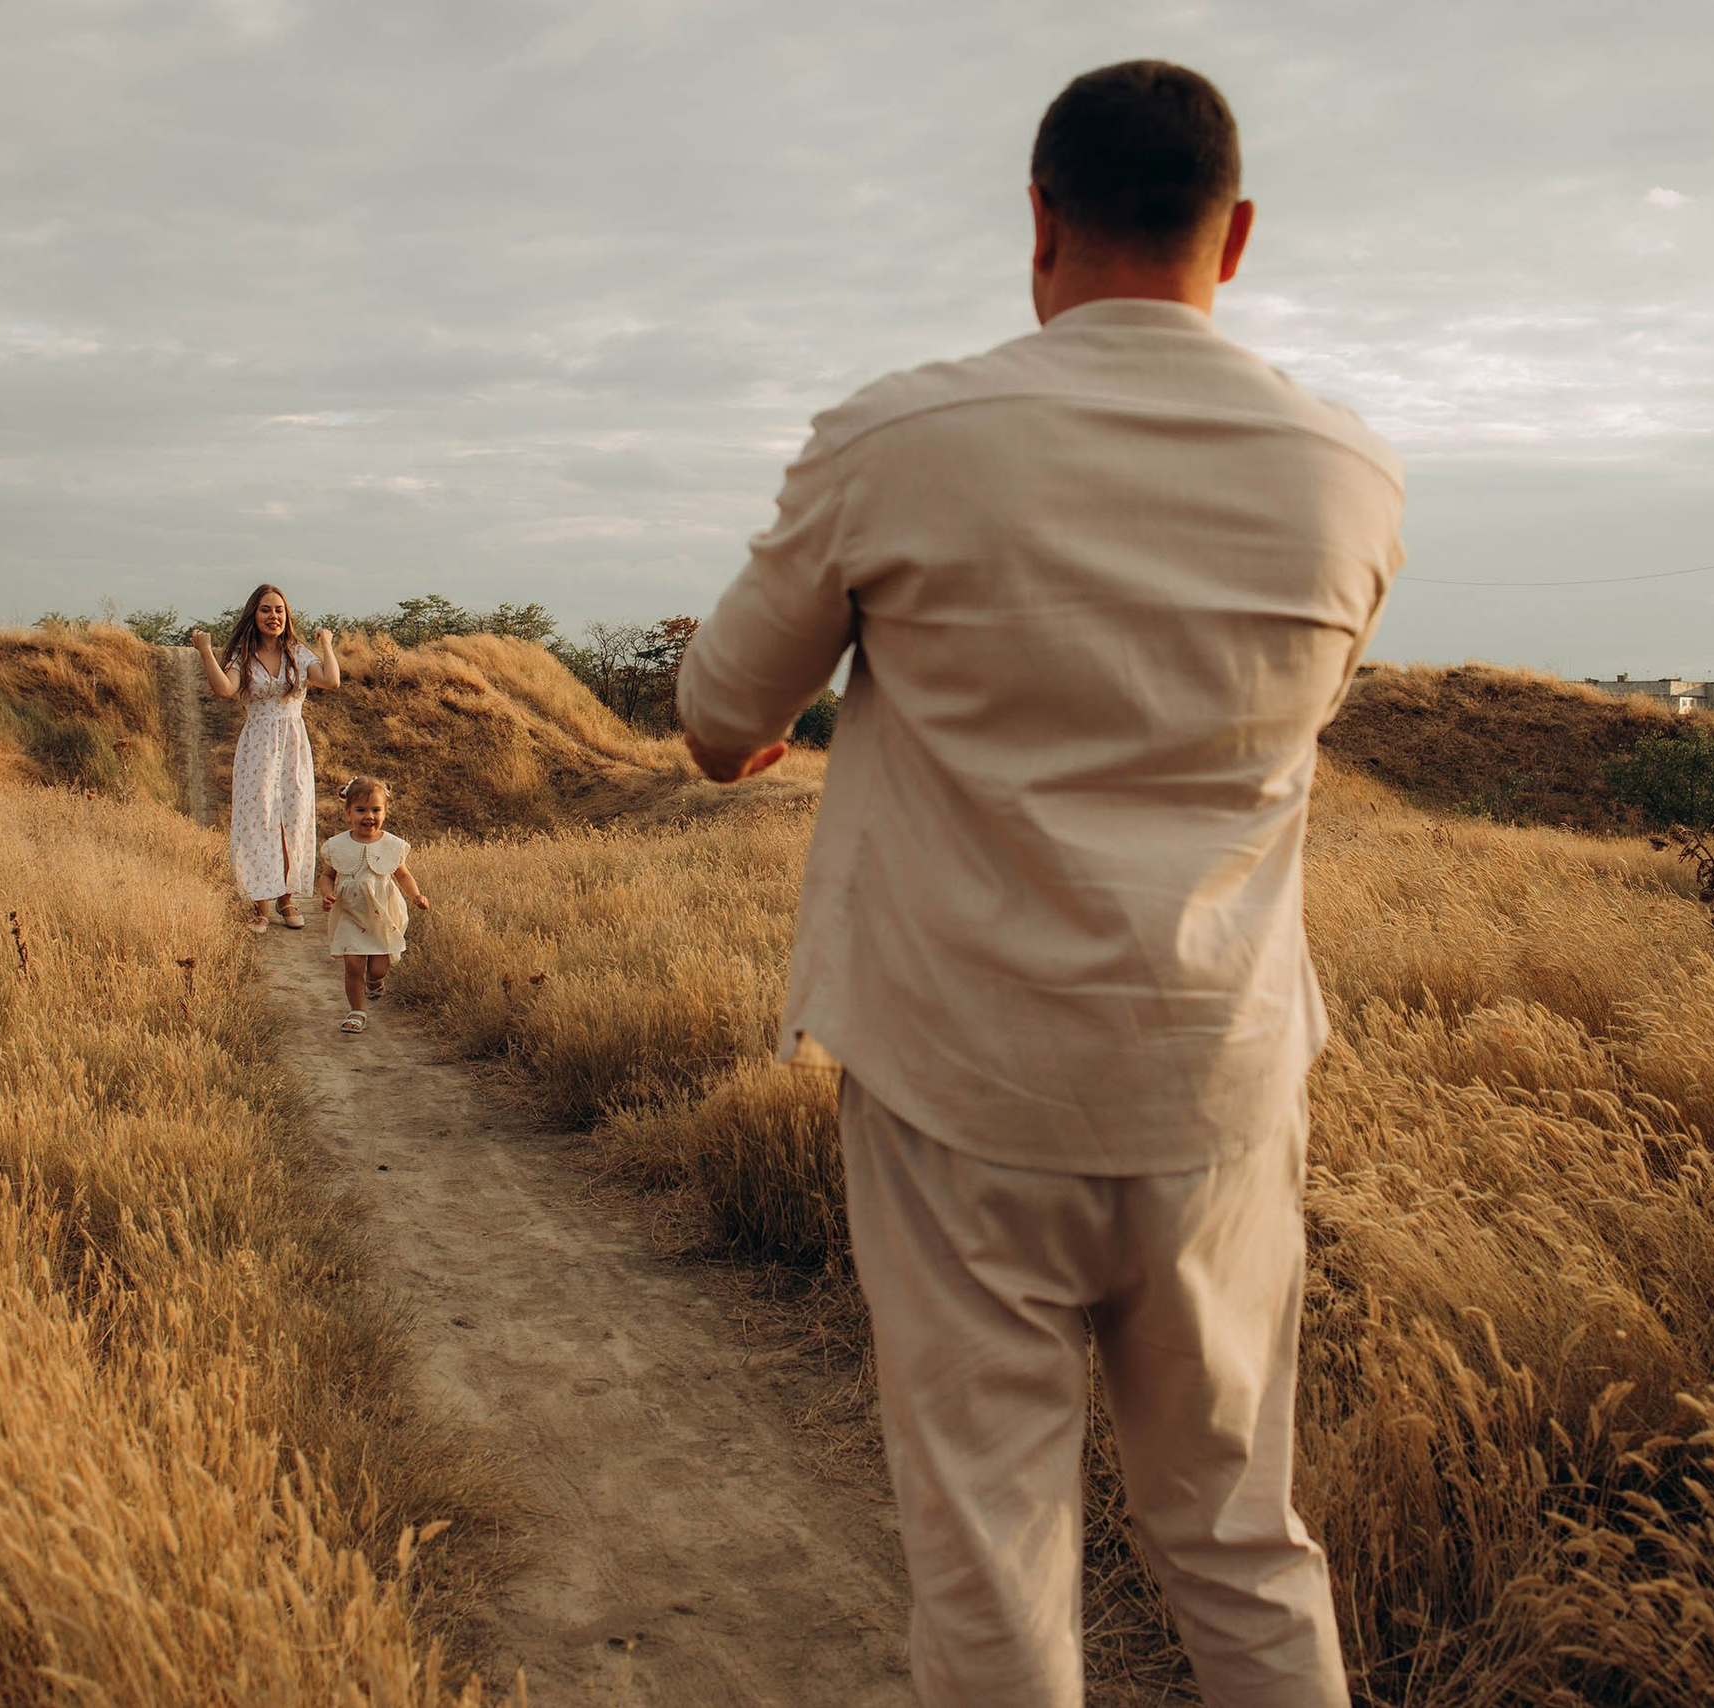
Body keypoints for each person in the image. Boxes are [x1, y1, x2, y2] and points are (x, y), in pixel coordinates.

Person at [675, 60, 1404, 1708]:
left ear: (1035, 219)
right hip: (1218, 1078)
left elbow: (723, 723)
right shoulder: (1349, 476)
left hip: (960, 1077)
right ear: (1239, 236)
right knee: (1240, 1535)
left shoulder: (902, 438)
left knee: (994, 1552)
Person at [189, 585, 341, 933]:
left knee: (293, 817)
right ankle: (260, 905)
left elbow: (331, 681)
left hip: (293, 745)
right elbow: (225, 689)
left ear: (286, 617)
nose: (273, 616)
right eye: (265, 610)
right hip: (257, 744)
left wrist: (327, 644)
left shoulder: (298, 655)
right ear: (253, 615)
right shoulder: (242, 657)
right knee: (259, 820)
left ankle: (286, 900)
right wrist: (205, 652)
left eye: (279, 610)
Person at [316, 774, 428, 1034]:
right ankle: (357, 1010)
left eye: (376, 810)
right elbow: (327, 876)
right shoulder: (338, 846)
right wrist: (327, 894)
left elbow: (402, 875)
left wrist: (416, 896)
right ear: (348, 812)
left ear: (385, 812)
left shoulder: (391, 845)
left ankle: (375, 981)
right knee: (353, 964)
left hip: (382, 915)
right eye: (361, 810)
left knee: (378, 968)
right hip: (350, 912)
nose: (369, 816)